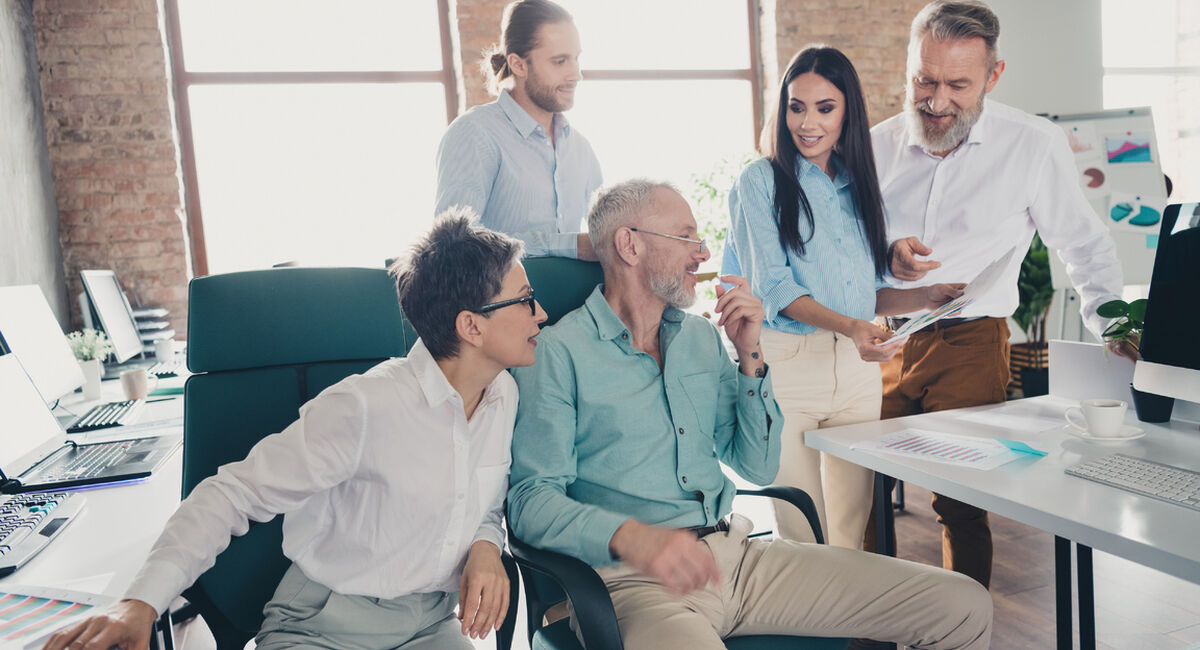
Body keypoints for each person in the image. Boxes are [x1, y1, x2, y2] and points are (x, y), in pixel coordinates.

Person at [507, 179, 993, 649]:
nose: (701, 252)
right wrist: (633, 538)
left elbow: (756, 465)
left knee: (962, 606)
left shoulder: (699, 339)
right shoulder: (556, 353)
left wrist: (750, 356)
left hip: (739, 558)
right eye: (685, 237)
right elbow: (530, 502)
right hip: (634, 585)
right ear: (629, 245)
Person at [44, 211, 547, 650]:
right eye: (525, 300)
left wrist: (486, 543)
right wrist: (141, 601)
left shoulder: (502, 395)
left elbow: (480, 499)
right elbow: (229, 494)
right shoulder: (366, 406)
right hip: (322, 627)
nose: (541, 314)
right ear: (472, 327)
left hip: (429, 626)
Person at [868, 0, 1128, 587]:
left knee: (960, 502)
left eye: (958, 84)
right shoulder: (874, 145)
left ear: (993, 76)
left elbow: (1084, 245)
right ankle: (866, 635)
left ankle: (962, 627)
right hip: (878, 343)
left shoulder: (1033, 144)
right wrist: (884, 257)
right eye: (924, 80)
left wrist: (1114, 327)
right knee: (861, 498)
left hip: (971, 343)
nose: (936, 101)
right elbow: (843, 249)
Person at [723, 46, 965, 549]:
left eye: (824, 108)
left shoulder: (858, 184)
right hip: (788, 369)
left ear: (847, 112)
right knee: (802, 532)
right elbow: (775, 288)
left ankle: (843, 631)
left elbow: (861, 296)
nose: (807, 122)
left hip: (856, 375)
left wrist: (925, 297)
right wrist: (855, 328)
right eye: (796, 106)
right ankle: (807, 628)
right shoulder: (760, 181)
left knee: (850, 532)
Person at [435, 0, 603, 260]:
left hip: (570, 300)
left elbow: (605, 233)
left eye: (576, 59)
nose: (576, 74)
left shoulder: (580, 148)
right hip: (502, 301)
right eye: (560, 62)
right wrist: (567, 245)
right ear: (518, 64)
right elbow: (453, 245)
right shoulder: (474, 134)